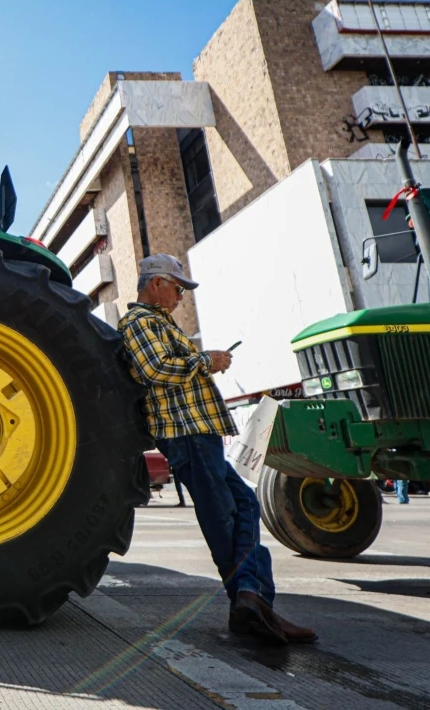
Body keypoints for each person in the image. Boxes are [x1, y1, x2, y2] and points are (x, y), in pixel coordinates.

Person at [117, 253, 317, 646]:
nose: (179, 297)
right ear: (155, 283)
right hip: (186, 433)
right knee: (224, 518)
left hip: (198, 433)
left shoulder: (158, 323)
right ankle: (251, 603)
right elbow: (153, 369)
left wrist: (201, 361)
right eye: (176, 289)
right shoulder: (139, 323)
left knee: (242, 506)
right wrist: (205, 361)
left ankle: (252, 601)